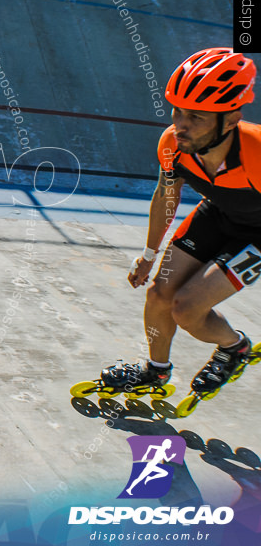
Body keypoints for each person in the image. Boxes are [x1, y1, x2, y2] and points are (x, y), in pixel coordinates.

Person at [102, 48, 260, 397]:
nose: (180, 125)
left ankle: (235, 348)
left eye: (196, 117)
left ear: (231, 119)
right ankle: (155, 372)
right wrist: (148, 254)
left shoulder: (257, 152)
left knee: (187, 308)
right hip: (218, 213)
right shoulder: (172, 144)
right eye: (177, 111)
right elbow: (166, 197)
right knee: (159, 294)